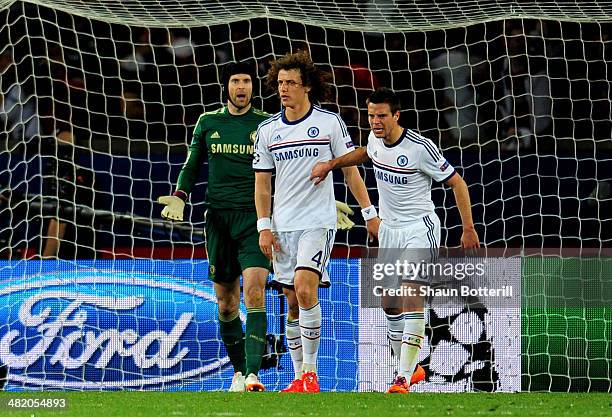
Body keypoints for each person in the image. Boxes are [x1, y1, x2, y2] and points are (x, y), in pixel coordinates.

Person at [310, 87, 480, 393]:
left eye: (382, 116)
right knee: (389, 304)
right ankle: (410, 367)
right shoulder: (374, 138)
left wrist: (467, 228)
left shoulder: (420, 148)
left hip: (420, 228)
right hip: (389, 230)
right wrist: (330, 165)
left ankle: (402, 377)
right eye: (371, 115)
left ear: (396, 115)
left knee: (410, 292)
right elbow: (366, 153)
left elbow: (458, 183)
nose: (375, 121)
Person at [253, 51, 379, 393]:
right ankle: (298, 378)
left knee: (306, 287)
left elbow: (350, 168)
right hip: (282, 227)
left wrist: (369, 213)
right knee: (292, 302)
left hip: (317, 222)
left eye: (290, 83)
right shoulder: (267, 130)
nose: (283, 89)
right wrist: (264, 225)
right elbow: (263, 183)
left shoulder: (329, 123)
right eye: (279, 83)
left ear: (306, 86)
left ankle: (311, 373)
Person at [158, 61, 272, 392]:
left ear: (253, 87)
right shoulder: (209, 122)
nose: (241, 87)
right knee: (226, 302)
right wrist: (180, 195)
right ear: (226, 86)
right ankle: (238, 372)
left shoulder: (265, 124)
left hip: (254, 219)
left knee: (255, 290)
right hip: (218, 220)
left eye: (247, 81)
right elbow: (192, 164)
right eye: (236, 81)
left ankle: (253, 373)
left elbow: (287, 166)